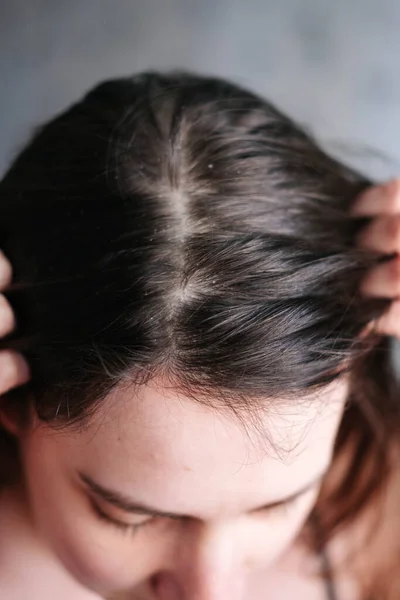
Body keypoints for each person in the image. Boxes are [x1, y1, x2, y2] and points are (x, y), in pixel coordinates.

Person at [0, 70, 399, 600]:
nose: (213, 593)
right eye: (131, 517)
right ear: (14, 400)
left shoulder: (379, 518)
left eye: (279, 505)